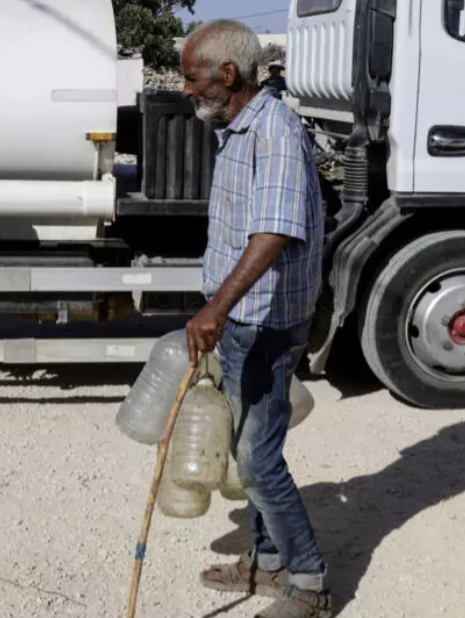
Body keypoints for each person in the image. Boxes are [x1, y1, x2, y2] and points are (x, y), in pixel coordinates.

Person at [181, 20, 330, 618]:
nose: (186, 90)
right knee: (250, 449)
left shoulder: (274, 130)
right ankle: (268, 566)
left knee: (258, 460)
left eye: (193, 78)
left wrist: (216, 308)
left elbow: (272, 233)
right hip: (243, 321)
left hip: (265, 323)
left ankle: (311, 582)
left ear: (228, 74)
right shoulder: (238, 126)